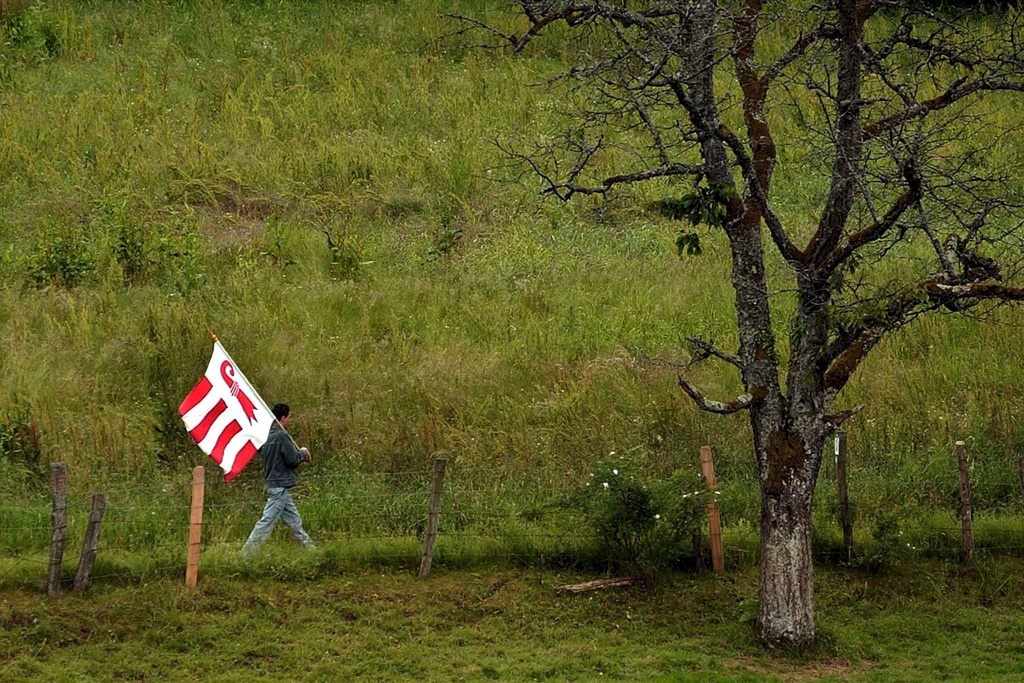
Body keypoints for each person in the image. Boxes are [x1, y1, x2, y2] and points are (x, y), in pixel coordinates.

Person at [242, 403, 315, 554]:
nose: (290, 420)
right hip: (280, 486)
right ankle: (246, 555)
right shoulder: (282, 436)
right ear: (283, 418)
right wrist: (303, 453)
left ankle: (312, 552)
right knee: (266, 522)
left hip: (276, 485)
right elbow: (292, 460)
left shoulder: (268, 437)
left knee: (295, 523)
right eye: (289, 417)